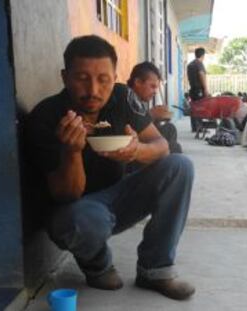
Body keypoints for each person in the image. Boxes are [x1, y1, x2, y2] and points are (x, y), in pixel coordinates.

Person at [25, 35, 195, 300]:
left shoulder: (123, 98)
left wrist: (138, 151)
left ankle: (155, 269)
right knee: (78, 219)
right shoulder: (46, 117)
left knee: (180, 166)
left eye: (103, 79)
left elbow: (161, 145)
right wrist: (71, 151)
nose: (93, 90)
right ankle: (98, 265)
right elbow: (65, 196)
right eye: (82, 78)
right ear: (64, 77)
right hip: (77, 212)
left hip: (119, 196)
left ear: (114, 77)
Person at [187, 47, 209, 132]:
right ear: (203, 55)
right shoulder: (199, 63)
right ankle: (199, 127)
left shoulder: (190, 64)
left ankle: (195, 127)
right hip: (199, 89)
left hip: (193, 89)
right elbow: (201, 74)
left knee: (194, 108)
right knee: (200, 108)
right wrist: (205, 88)